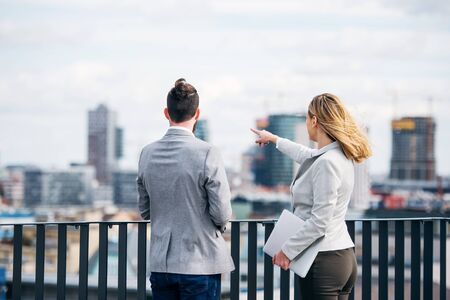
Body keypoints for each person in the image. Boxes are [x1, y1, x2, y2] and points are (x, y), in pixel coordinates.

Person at [252, 93, 371, 300]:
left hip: (323, 262)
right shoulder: (337, 156)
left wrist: (287, 250)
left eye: (307, 118)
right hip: (341, 257)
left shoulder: (327, 163)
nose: (306, 123)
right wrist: (274, 139)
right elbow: (304, 154)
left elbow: (320, 221)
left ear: (314, 120)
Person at [137, 78, 234, 300]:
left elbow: (145, 210)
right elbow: (221, 213)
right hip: (200, 263)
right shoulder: (208, 153)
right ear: (197, 113)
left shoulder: (147, 153)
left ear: (166, 113)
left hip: (162, 264)